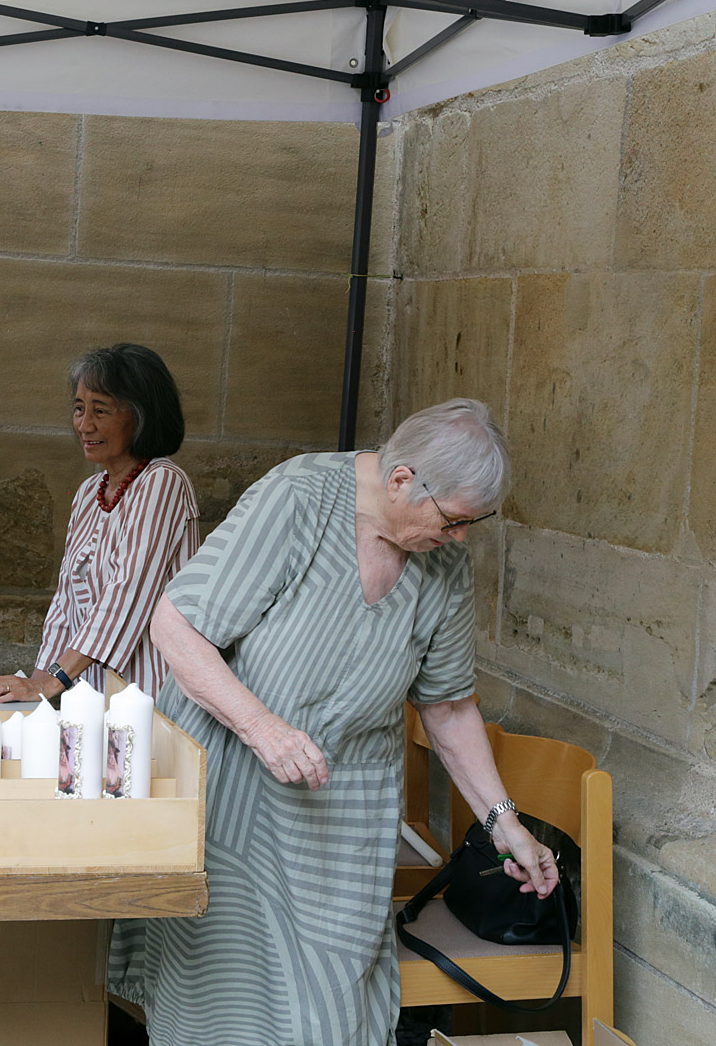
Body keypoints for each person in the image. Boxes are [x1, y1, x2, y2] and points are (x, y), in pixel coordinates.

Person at [115, 398, 559, 1046]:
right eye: (453, 520)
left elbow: (447, 706)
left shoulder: (443, 562)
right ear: (402, 479)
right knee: (218, 997)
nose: (460, 537)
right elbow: (176, 627)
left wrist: (505, 824)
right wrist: (263, 728)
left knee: (330, 1008)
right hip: (232, 785)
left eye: (473, 524)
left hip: (341, 810)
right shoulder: (299, 498)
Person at [0, 343, 198, 703]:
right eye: (79, 409)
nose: (85, 425)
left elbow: (127, 596)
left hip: (150, 697)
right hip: (89, 695)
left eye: (101, 410)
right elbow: (66, 602)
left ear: (141, 416)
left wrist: (52, 682)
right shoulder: (88, 492)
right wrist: (36, 687)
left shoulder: (163, 482)